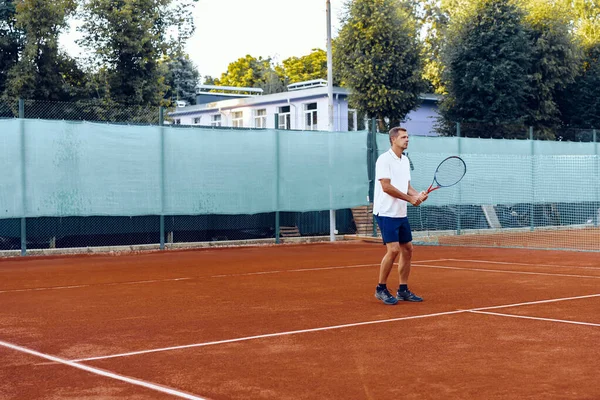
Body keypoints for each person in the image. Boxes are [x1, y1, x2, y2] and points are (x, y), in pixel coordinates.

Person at [373, 127, 428, 305]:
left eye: (408, 137)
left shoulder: (405, 160)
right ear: (393, 139)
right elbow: (386, 187)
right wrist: (410, 199)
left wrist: (417, 195)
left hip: (400, 213)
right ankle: (380, 289)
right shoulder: (384, 160)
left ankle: (402, 290)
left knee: (408, 249)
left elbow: (406, 186)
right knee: (394, 250)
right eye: (403, 137)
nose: (407, 140)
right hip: (386, 212)